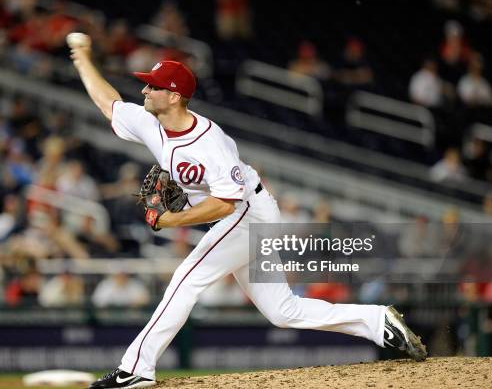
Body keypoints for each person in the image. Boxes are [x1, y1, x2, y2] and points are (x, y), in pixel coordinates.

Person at [70, 35, 427, 389]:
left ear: (175, 96)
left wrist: (172, 220)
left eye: (153, 87)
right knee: (282, 311)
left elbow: (228, 202)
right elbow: (109, 105)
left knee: (186, 279)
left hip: (247, 214)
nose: (145, 92)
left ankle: (136, 368)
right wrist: (83, 58)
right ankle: (378, 320)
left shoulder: (210, 142)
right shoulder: (152, 125)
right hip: (245, 216)